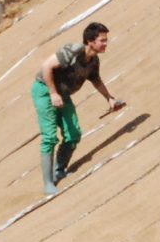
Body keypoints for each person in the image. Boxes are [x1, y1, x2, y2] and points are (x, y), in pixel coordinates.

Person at [33, 21, 124, 196]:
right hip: (45, 91)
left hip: (63, 95)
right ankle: (47, 183)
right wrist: (53, 93)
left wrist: (109, 99)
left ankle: (59, 169)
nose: (105, 43)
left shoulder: (93, 61)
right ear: (90, 41)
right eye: (102, 40)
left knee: (73, 134)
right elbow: (46, 67)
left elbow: (96, 80)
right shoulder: (73, 51)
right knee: (50, 136)